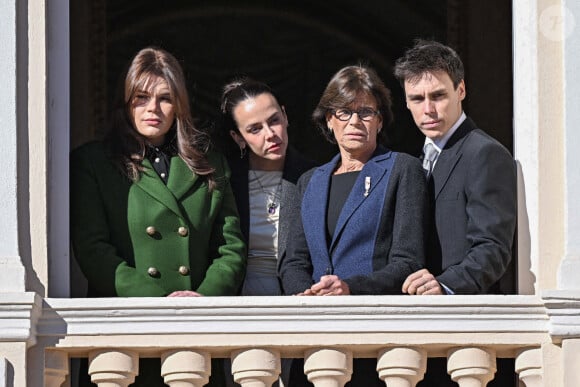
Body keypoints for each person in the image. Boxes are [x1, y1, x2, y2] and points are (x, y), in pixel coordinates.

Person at [70, 47, 246, 386]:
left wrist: (202, 299)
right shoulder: (93, 162)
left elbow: (230, 246)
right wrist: (157, 301)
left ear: (179, 105)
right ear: (126, 101)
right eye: (141, 97)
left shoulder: (210, 162)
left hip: (194, 335)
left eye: (165, 98)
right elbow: (93, 249)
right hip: (123, 333)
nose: (153, 109)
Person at [280, 65, 428, 386]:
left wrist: (349, 288)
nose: (355, 122)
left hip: (376, 338)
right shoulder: (310, 181)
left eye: (366, 112)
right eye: (344, 112)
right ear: (329, 121)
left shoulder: (403, 169)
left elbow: (408, 261)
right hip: (314, 339)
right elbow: (294, 261)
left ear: (381, 119)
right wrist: (306, 294)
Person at [394, 40, 517, 386]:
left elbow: (493, 248)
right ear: (406, 101)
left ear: (461, 90)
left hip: (466, 330)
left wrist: (445, 285)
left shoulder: (485, 154)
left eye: (438, 96)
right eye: (417, 99)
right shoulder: (417, 160)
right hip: (420, 338)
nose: (428, 109)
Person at [219, 78, 317, 386]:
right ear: (238, 137)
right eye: (255, 129)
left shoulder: (315, 175)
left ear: (286, 116)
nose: (270, 134)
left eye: (274, 120)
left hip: (297, 297)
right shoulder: (224, 181)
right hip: (238, 300)